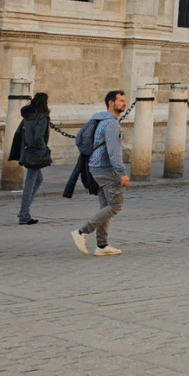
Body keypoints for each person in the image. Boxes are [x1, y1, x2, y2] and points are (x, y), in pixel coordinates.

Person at [71, 90, 129, 256]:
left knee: (106, 206)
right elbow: (113, 151)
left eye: (125, 101)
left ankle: (102, 246)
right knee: (116, 205)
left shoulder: (101, 119)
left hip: (96, 167)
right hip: (106, 169)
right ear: (111, 103)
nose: (124, 103)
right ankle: (82, 232)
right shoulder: (111, 123)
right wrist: (122, 173)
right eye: (120, 101)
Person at [17, 92, 52, 225]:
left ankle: (24, 211)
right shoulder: (42, 116)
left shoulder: (27, 115)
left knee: (38, 179)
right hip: (36, 152)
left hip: (27, 150)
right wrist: (43, 149)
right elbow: (38, 137)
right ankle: (24, 215)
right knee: (29, 183)